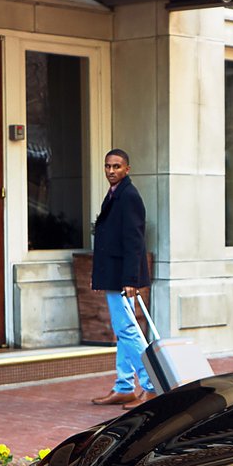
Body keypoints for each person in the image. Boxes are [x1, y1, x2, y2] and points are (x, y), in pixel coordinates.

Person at [90, 149, 156, 405]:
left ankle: (150, 385)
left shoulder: (129, 196)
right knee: (123, 330)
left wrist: (130, 279)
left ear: (127, 169)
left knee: (128, 329)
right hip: (114, 275)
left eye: (116, 167)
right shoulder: (115, 194)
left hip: (122, 278)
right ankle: (124, 386)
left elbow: (134, 241)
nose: (111, 171)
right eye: (108, 166)